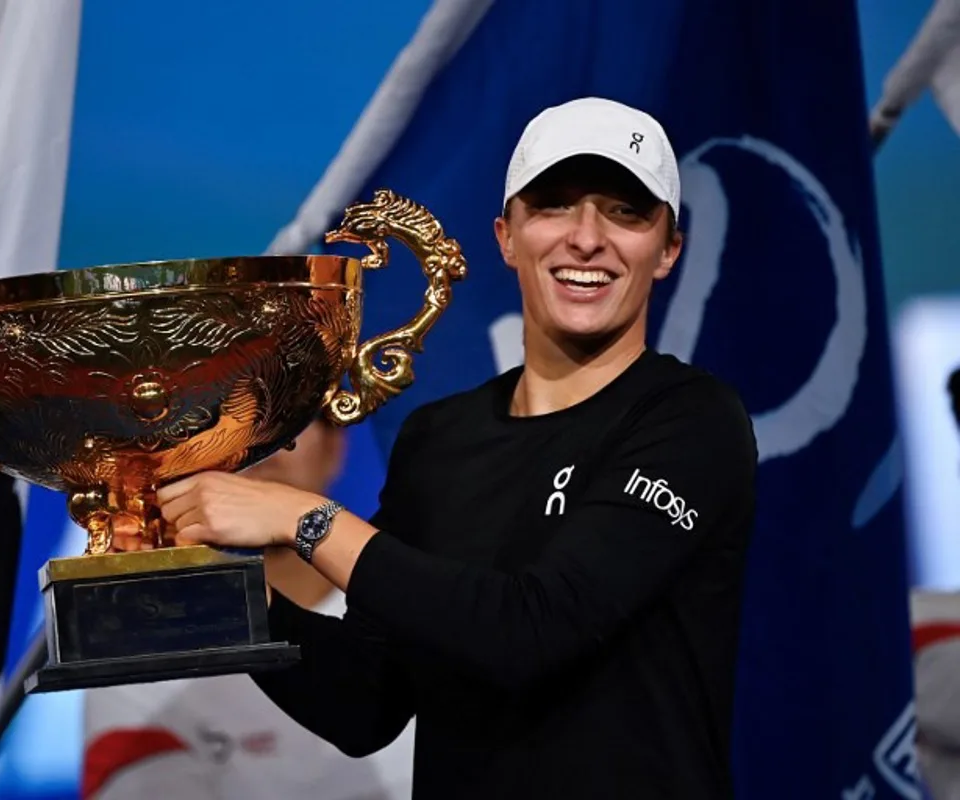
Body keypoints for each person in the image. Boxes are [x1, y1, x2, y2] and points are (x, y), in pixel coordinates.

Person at [151, 97, 759, 798]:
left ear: (668, 250)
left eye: (625, 211)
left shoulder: (690, 419)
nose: (587, 238)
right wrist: (214, 582)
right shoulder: (440, 438)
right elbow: (363, 703)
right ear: (507, 236)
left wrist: (303, 520)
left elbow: (531, 630)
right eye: (556, 205)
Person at [83, 417, 415, 800]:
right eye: (228, 421)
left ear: (336, 449)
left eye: (289, 422)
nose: (263, 450)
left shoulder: (420, 615)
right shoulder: (139, 651)